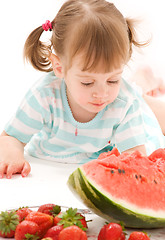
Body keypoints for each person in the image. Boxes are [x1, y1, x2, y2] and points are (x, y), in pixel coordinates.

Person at [0, 0, 165, 179]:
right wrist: (12, 156)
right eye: (87, 82)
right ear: (59, 67)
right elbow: (11, 137)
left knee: (150, 110)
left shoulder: (124, 102)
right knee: (130, 93)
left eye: (113, 80)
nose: (102, 93)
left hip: (130, 104)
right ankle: (140, 80)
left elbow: (135, 158)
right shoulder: (44, 96)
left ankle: (142, 81)